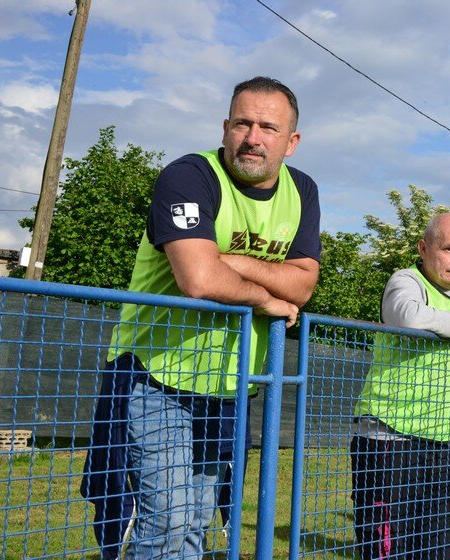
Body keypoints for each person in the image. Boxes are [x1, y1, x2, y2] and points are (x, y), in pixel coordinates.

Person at [101, 76, 321, 560]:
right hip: (155, 375)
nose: (253, 137)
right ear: (225, 127)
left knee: (198, 518)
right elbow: (198, 279)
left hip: (228, 387)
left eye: (268, 127)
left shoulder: (302, 190)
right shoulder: (188, 176)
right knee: (168, 518)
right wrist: (264, 299)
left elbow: (303, 285)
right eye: (242, 123)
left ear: (291, 142)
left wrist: (233, 261)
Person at [350, 213, 450, 560]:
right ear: (424, 249)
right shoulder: (406, 280)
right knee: (388, 550)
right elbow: (410, 316)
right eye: (449, 249)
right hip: (390, 438)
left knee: (437, 548)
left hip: (442, 441)